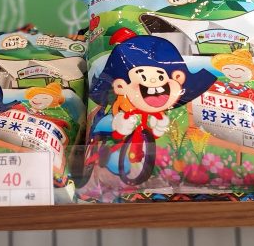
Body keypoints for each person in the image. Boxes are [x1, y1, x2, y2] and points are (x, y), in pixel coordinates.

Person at [89, 30, 216, 177]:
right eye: (142, 76)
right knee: (109, 126)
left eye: (161, 76)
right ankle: (105, 148)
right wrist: (117, 121)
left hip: (144, 134)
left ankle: (124, 159)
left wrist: (159, 126)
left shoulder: (165, 101)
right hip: (118, 116)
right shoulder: (119, 92)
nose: (154, 81)